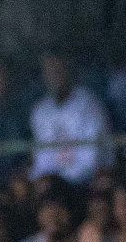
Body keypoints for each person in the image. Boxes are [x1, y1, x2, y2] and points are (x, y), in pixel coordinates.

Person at [29, 50, 112, 184]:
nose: (54, 76)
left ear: (68, 70)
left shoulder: (88, 103)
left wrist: (61, 181)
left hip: (86, 180)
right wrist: (46, 179)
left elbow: (91, 159)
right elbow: (42, 159)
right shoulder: (40, 110)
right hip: (53, 183)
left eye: (58, 70)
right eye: (49, 71)